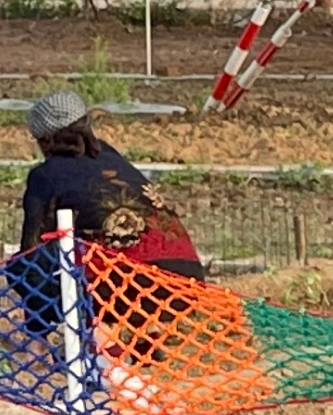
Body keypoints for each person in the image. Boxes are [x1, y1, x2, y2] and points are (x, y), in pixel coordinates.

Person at [18, 89, 203, 277]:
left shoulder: (46, 174)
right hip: (187, 277)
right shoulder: (110, 155)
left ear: (47, 139)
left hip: (126, 283)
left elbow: (30, 250)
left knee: (26, 271)